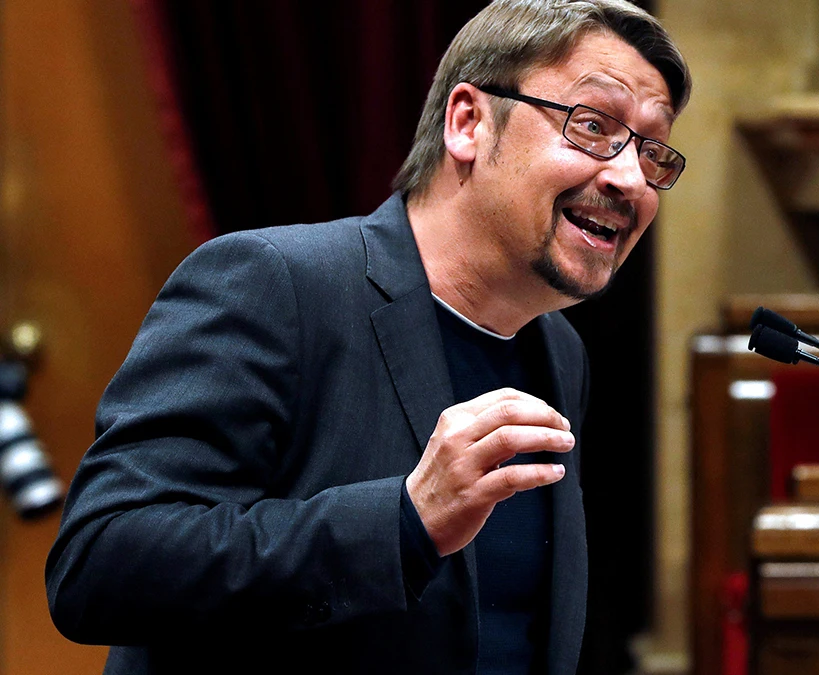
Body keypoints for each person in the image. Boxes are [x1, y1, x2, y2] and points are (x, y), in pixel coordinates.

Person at [44, 1, 690, 673]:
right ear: (468, 122)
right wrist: (403, 522)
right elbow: (100, 562)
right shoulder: (274, 285)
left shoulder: (559, 352)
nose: (631, 178)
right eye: (592, 126)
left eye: (653, 151)